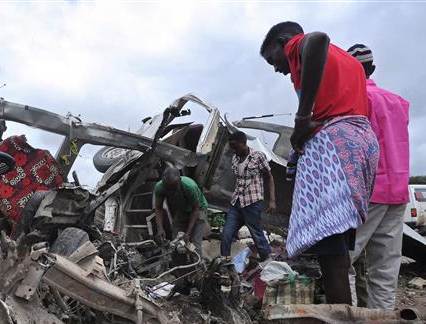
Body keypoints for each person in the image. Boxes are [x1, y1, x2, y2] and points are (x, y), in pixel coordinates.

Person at [260, 22, 379, 304]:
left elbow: (317, 39)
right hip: (358, 144)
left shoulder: (300, 44)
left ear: (283, 42)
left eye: (271, 60)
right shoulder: (348, 61)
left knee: (331, 257)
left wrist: (302, 117)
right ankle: (343, 321)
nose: (276, 69)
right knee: (336, 253)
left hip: (335, 150)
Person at [346, 44, 410, 310]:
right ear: (372, 69)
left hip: (367, 192)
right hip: (398, 190)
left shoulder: (354, 101)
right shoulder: (398, 102)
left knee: (342, 260)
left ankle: (345, 322)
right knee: (385, 267)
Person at [220, 131, 275, 261]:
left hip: (252, 202)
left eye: (236, 147)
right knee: (227, 234)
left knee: (256, 234)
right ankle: (224, 263)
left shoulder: (258, 156)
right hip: (237, 202)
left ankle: (268, 260)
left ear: (244, 143)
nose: (234, 151)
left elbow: (269, 177)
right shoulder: (235, 158)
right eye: (232, 148)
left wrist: (272, 200)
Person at [154, 167, 208, 254]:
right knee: (175, 244)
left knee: (194, 245)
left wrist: (188, 233)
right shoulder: (159, 187)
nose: (171, 192)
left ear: (179, 180)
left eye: (173, 188)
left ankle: (198, 266)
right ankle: (180, 266)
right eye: (167, 189)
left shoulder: (189, 186)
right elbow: (158, 208)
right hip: (182, 210)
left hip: (199, 209)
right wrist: (160, 228)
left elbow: (196, 209)